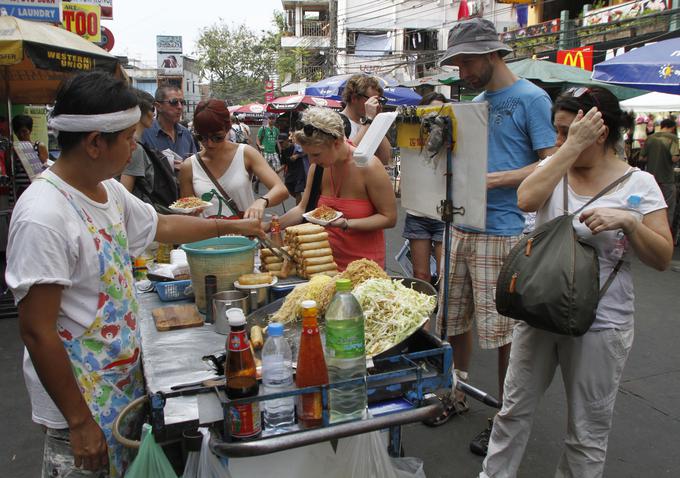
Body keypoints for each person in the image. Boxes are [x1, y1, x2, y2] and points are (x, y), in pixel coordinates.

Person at [5, 72, 264, 478]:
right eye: (127, 138)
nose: (133, 149)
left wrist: (233, 227)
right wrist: (78, 423)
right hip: (77, 402)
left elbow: (164, 225)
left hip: (118, 382)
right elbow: (38, 331)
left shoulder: (107, 190)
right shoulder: (44, 214)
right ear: (94, 143)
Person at [481, 87, 673, 478]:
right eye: (557, 131)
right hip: (537, 311)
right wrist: (569, 148)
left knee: (587, 431)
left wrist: (631, 223)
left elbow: (661, 257)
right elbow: (527, 199)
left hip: (602, 325)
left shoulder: (640, 185)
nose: (557, 141)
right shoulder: (555, 167)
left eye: (567, 131)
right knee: (512, 412)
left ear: (599, 132)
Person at [433, 17, 556, 453]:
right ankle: (457, 392)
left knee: (505, 332)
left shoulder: (532, 98)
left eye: (466, 63)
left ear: (490, 54)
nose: (461, 72)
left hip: (504, 230)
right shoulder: (475, 102)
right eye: (458, 64)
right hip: (460, 225)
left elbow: (552, 163)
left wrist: (499, 178)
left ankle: (505, 415)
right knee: (452, 319)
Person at [279, 107, 396, 270]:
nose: (311, 161)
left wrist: (346, 224)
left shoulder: (369, 166)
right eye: (308, 155)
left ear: (337, 142)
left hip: (364, 267)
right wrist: (272, 225)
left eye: (316, 154)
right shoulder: (318, 167)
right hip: (325, 263)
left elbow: (389, 218)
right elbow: (302, 208)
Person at [179, 99, 288, 220]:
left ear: (228, 129)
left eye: (217, 137)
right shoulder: (189, 166)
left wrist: (262, 201)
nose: (209, 144)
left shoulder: (245, 154)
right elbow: (188, 212)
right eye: (201, 137)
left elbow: (280, 189)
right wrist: (190, 213)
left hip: (245, 236)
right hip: (208, 237)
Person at [402, 92, 447, 285]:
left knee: (446, 275)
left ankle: (445, 314)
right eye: (429, 111)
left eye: (439, 111)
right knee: (420, 276)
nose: (433, 116)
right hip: (417, 213)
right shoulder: (411, 132)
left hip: (443, 213)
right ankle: (424, 313)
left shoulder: (452, 136)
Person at [119, 89, 178, 209]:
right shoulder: (134, 148)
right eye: (152, 109)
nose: (154, 114)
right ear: (140, 112)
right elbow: (124, 196)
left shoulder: (129, 143)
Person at [339, 74, 392, 165]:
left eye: (378, 101)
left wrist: (376, 121)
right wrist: (368, 120)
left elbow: (388, 159)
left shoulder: (370, 122)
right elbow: (348, 155)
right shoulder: (337, 122)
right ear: (354, 98)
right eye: (372, 100)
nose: (376, 105)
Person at [141, 85, 197, 169]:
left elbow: (194, 165)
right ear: (158, 106)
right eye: (174, 102)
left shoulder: (186, 134)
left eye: (182, 102)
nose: (180, 107)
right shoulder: (144, 134)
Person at [640, 117, 679, 229]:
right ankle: (666, 236)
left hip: (651, 179)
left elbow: (642, 158)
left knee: (651, 207)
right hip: (667, 178)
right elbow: (674, 158)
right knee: (668, 208)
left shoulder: (650, 138)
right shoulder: (672, 138)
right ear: (671, 128)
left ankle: (652, 231)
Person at [280, 133, 307, 205]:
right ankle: (302, 203)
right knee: (288, 187)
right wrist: (278, 170)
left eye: (282, 142)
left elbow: (307, 151)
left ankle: (298, 209)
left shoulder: (296, 147)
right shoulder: (283, 150)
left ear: (287, 141)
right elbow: (284, 163)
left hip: (300, 171)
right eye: (279, 142)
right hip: (290, 172)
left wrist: (297, 156)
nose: (280, 144)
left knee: (297, 190)